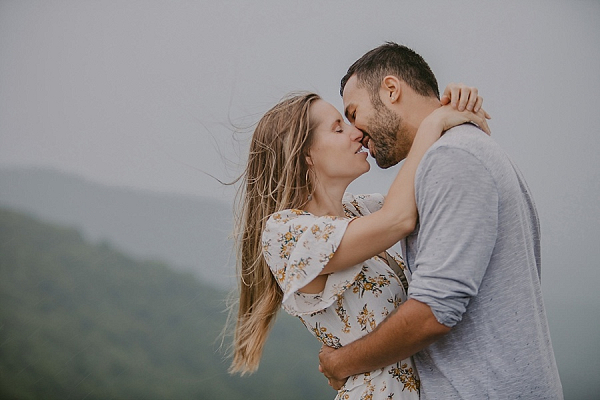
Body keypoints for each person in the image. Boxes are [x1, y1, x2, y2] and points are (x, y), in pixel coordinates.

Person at [318, 42, 563, 399]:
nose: (355, 132)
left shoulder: (451, 159)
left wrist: (342, 363)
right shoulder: (461, 150)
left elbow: (434, 312)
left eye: (354, 113)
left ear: (391, 90)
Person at [229, 80, 490, 399]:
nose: (356, 132)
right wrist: (434, 122)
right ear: (306, 154)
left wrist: (458, 105)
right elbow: (399, 218)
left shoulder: (359, 209)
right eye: (338, 128)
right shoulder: (286, 233)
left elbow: (431, 193)